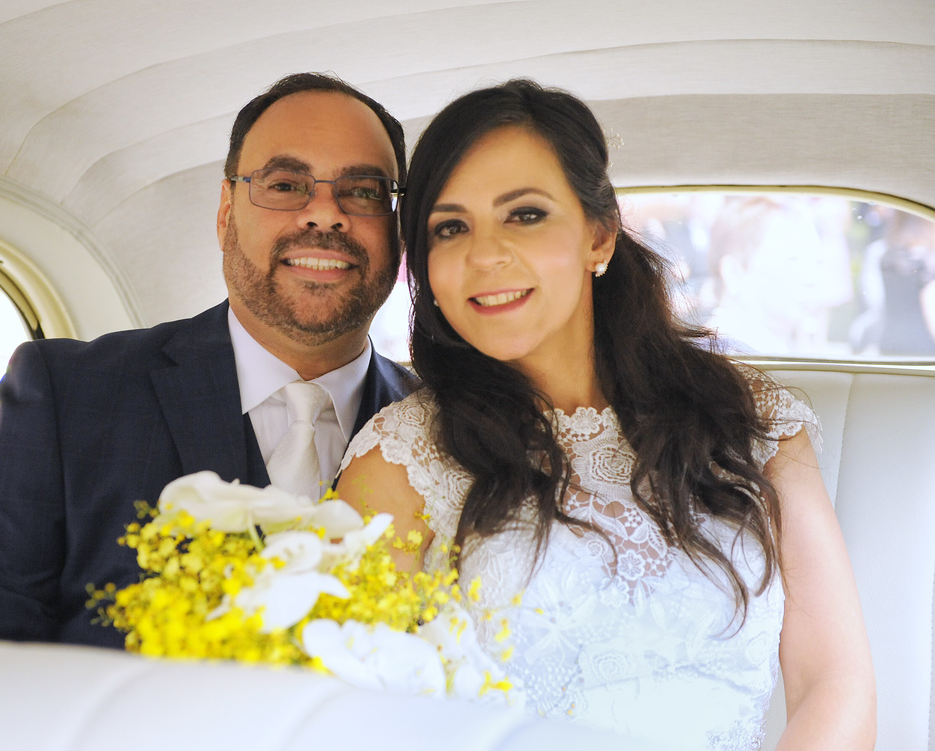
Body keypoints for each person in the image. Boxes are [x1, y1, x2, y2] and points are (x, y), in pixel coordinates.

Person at [337, 80, 875, 749]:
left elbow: (834, 682)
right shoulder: (400, 460)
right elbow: (360, 717)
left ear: (599, 234)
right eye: (451, 228)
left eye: (525, 214)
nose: (484, 255)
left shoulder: (754, 420)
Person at [0, 73, 418, 647]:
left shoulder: (448, 433)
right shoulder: (65, 398)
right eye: (284, 184)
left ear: (399, 230)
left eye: (365, 191)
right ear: (226, 214)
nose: (324, 214)